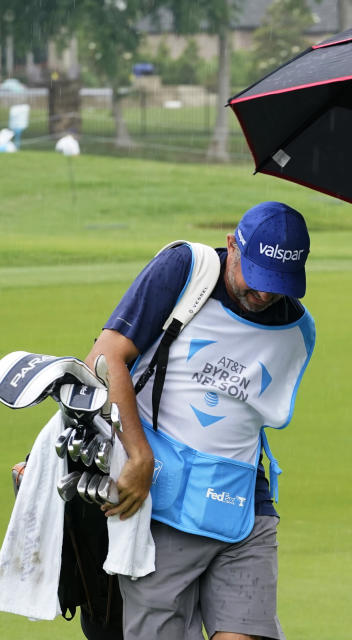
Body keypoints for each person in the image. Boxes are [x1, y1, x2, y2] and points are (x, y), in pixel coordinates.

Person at [84, 201, 316, 640]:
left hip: (243, 500)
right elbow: (104, 358)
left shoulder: (297, 329)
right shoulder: (185, 269)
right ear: (233, 245)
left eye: (279, 284)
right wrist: (138, 457)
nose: (265, 295)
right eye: (258, 277)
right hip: (155, 495)